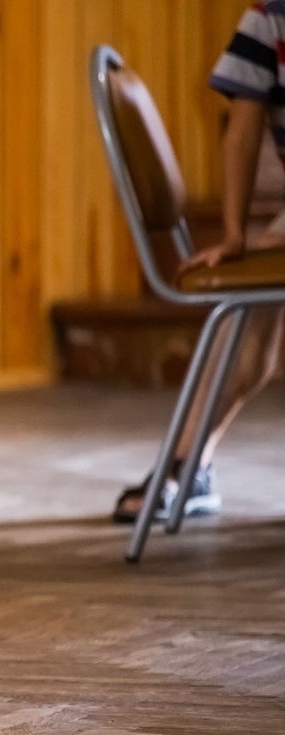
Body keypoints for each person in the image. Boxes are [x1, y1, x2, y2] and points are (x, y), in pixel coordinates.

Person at [116, 3, 285, 523]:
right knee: (248, 317)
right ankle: (187, 467)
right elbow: (242, 132)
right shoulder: (270, 17)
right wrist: (234, 234)